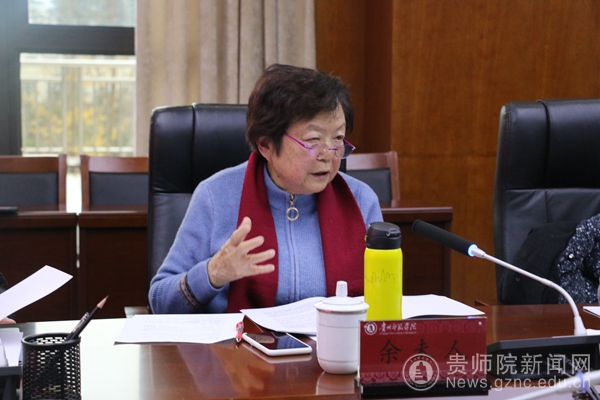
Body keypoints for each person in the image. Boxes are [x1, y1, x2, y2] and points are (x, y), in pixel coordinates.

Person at [149, 64, 383, 314]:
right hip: (239, 339)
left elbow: (383, 301)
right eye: (313, 140)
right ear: (266, 145)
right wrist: (212, 274)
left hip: (334, 338)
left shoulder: (360, 200)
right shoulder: (216, 196)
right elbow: (160, 301)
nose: (328, 154)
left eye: (337, 138)